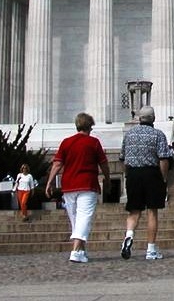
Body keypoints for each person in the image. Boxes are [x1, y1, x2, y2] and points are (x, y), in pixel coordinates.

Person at [45, 112, 111, 263]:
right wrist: (107, 178)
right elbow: (103, 163)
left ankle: (81, 251)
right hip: (87, 184)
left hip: (69, 185)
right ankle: (75, 251)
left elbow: (57, 164)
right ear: (90, 127)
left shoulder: (66, 142)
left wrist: (49, 182)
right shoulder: (93, 142)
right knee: (84, 217)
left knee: (76, 219)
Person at [119, 105, 171, 260]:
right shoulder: (158, 135)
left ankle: (129, 236)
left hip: (133, 174)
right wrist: (163, 178)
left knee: (134, 211)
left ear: (139, 118)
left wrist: (128, 174)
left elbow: (122, 158)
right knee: (152, 212)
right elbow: (163, 159)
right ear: (153, 118)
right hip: (151, 173)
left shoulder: (129, 135)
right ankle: (151, 249)